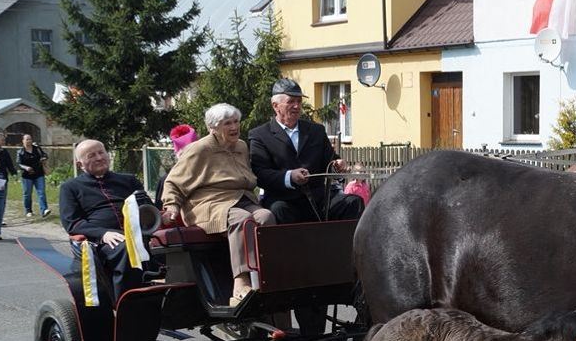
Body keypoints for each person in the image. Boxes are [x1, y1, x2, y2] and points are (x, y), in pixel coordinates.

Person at [161, 104, 275, 305]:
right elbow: (173, 182)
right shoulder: (200, 149)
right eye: (227, 123)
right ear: (212, 128)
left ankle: (268, 276)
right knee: (242, 220)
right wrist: (171, 206)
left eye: (236, 122)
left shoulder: (241, 146)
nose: (234, 127)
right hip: (208, 203)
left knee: (266, 216)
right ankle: (240, 284)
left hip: (241, 198)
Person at [249, 78, 362, 223]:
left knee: (353, 202)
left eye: (299, 101)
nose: (296, 106)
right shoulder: (260, 135)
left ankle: (345, 239)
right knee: (278, 210)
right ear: (275, 106)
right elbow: (260, 174)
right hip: (285, 201)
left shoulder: (316, 131)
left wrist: (337, 166)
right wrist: (289, 177)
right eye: (291, 101)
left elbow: (329, 162)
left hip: (319, 200)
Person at [59, 140, 147, 300]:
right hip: (101, 241)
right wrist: (103, 234)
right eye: (91, 155)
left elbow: (147, 208)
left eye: (101, 152)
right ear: (80, 164)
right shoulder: (70, 187)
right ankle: (127, 303)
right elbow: (72, 223)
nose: (99, 157)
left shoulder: (129, 180)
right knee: (126, 249)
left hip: (138, 233)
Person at [16, 134, 51, 218]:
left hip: (39, 173)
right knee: (27, 194)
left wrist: (44, 158)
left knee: (41, 192)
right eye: (27, 139)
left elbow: (45, 155)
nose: (29, 141)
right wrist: (26, 167)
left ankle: (44, 210)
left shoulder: (37, 149)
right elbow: (19, 164)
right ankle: (28, 210)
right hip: (27, 176)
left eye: (30, 139)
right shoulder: (20, 152)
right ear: (23, 141)